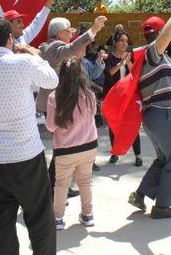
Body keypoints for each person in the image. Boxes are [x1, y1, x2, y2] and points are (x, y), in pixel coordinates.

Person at [0, 17, 59, 254]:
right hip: (26, 155)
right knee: (40, 219)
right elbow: (52, 80)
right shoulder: (24, 62)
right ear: (10, 38)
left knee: (3, 222)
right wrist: (35, 55)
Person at [127, 0, 171, 219]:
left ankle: (142, 193)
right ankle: (163, 206)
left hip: (154, 117)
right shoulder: (153, 53)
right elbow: (168, 34)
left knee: (165, 158)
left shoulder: (146, 57)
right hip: (165, 114)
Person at [46, 59, 98, 230]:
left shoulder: (55, 97)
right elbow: (93, 115)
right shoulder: (90, 94)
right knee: (85, 181)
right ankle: (88, 215)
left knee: (61, 184)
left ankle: (58, 219)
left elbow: (50, 126)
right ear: (80, 74)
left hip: (65, 149)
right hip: (89, 145)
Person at [104, 30, 142, 167]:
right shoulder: (109, 57)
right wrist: (121, 63)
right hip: (114, 96)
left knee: (132, 124)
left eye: (126, 41)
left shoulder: (130, 56)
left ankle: (138, 155)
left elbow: (135, 73)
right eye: (122, 41)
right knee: (114, 124)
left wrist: (128, 62)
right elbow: (109, 73)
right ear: (115, 42)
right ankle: (115, 153)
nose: (124, 43)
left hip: (128, 96)